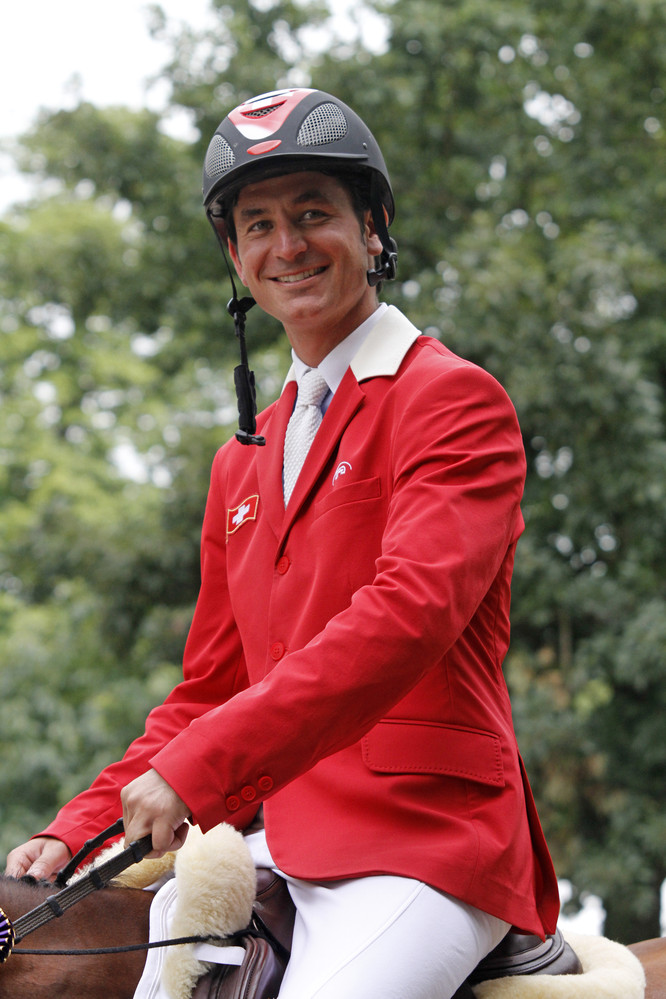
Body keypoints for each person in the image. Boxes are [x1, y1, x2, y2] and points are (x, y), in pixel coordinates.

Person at [6, 88, 560, 998]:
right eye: (258, 225)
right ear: (235, 257)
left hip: (423, 840)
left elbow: (406, 614)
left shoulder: (452, 400)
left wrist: (198, 770)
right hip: (270, 841)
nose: (288, 246)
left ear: (374, 228)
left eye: (314, 215)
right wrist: (82, 825)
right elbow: (214, 687)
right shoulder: (241, 460)